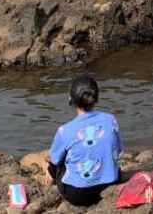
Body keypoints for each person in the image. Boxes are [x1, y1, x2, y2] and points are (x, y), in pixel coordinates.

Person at [48, 75, 123, 207]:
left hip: (78, 194)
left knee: (54, 162)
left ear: (70, 99)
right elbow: (119, 150)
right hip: (110, 184)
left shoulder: (65, 130)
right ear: (96, 98)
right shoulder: (111, 120)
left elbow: (54, 160)